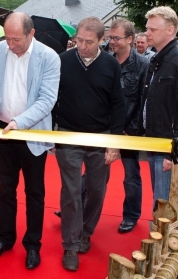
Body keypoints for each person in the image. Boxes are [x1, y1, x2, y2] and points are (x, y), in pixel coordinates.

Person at [0, 12, 61, 270]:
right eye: (6, 38)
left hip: (29, 132)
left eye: (16, 39)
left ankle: (33, 245)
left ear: (31, 34)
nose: (10, 44)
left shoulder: (49, 57)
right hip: (2, 130)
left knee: (34, 192)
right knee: (5, 190)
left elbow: (47, 99)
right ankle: (4, 239)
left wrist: (21, 122)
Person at [55, 16, 125, 271]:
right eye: (78, 40)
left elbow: (118, 104)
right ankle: (70, 245)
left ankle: (86, 232)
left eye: (88, 42)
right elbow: (53, 97)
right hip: (68, 136)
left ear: (101, 40)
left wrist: (113, 142)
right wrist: (52, 133)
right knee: (71, 192)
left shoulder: (110, 64)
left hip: (100, 136)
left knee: (97, 190)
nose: (82, 46)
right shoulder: (63, 61)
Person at [140, 6, 178, 206]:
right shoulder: (158, 60)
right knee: (159, 200)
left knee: (165, 202)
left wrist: (175, 153)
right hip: (155, 142)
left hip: (167, 146)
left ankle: (164, 236)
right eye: (147, 28)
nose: (147, 33)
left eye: (152, 29)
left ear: (170, 30)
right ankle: (160, 235)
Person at [108, 19, 149, 234]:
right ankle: (79, 204)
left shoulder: (143, 65)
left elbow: (143, 101)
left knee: (131, 175)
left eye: (116, 38)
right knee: (96, 168)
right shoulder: (106, 61)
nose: (112, 41)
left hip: (129, 130)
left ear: (130, 39)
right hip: (106, 127)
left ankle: (131, 215)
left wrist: (129, 131)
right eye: (110, 37)